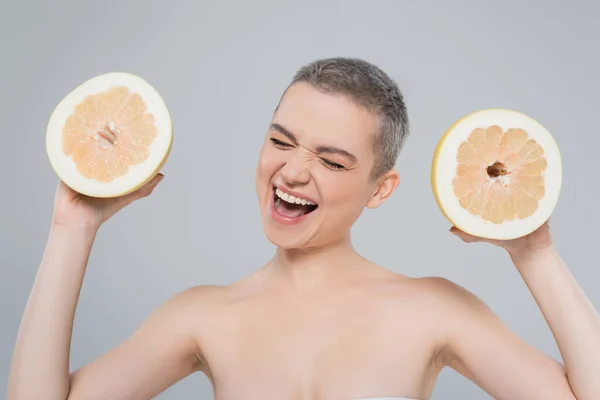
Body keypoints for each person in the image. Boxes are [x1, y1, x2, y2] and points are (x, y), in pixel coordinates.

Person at [6, 57, 600, 400]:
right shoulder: (202, 316)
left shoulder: (435, 310)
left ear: (380, 189)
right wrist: (72, 227)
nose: (292, 170)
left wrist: (534, 252)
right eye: (279, 141)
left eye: (333, 161)